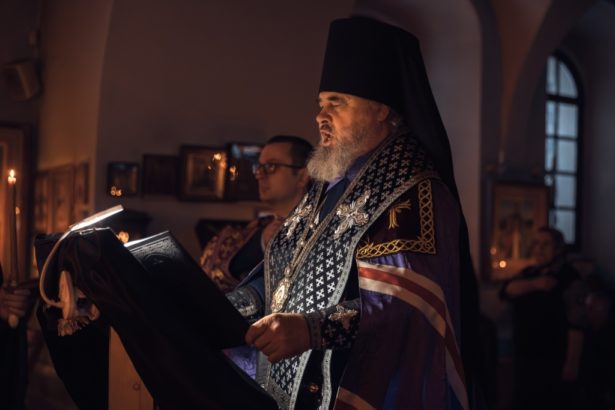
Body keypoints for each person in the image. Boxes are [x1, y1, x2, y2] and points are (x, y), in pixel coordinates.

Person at [226, 16, 479, 410]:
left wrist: (311, 330)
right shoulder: (327, 185)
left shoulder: (413, 191)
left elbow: (410, 306)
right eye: (320, 104)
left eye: (337, 103)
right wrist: (229, 307)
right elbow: (284, 271)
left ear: (380, 110)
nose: (320, 116)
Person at [200, 135, 312, 292]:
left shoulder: (319, 226)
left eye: (271, 166)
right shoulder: (258, 228)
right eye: (259, 167)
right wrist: (263, 241)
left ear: (302, 176)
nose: (259, 174)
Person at [500, 226, 582, 410]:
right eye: (536, 244)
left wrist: (572, 362)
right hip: (525, 356)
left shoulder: (570, 277)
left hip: (554, 358)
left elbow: (577, 324)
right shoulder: (528, 273)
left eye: (545, 244)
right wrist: (536, 284)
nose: (539, 249)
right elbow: (506, 290)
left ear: (558, 249)